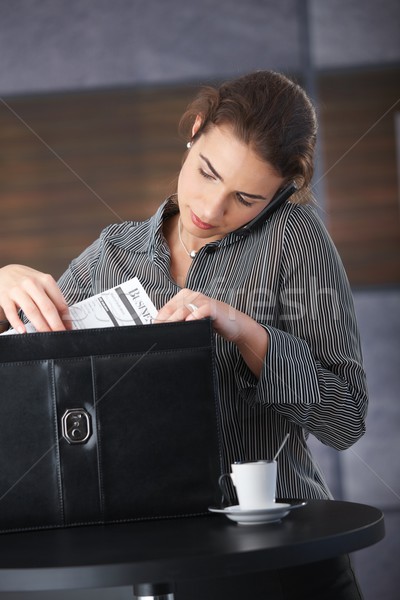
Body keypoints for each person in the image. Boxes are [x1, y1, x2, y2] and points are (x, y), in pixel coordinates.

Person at [0, 70, 367, 599]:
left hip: (282, 561)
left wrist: (243, 331)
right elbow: (28, 364)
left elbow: (346, 419)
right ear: (194, 129)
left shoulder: (294, 239)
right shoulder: (114, 255)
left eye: (246, 198)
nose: (211, 209)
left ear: (281, 193)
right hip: (158, 566)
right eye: (207, 172)